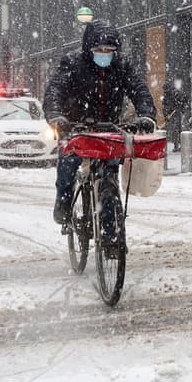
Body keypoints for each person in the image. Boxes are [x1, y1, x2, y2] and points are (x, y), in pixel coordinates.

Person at [44, 19, 157, 233]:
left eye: (110, 49)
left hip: (110, 129)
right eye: (99, 49)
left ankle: (111, 230)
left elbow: (139, 89)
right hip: (76, 128)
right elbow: (55, 91)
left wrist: (146, 115)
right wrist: (57, 116)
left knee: (110, 172)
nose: (104, 53)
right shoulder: (72, 63)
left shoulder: (122, 66)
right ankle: (64, 202)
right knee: (68, 164)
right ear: (89, 49)